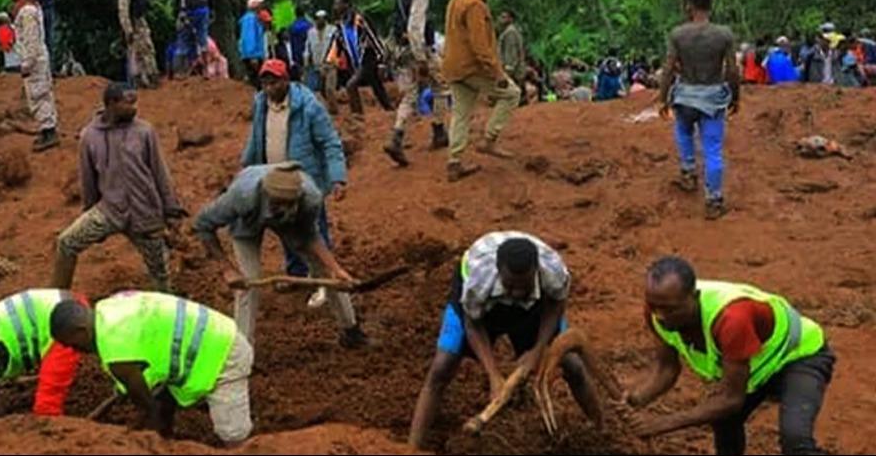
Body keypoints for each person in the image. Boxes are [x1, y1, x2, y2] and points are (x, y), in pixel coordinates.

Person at [408, 232, 601, 449]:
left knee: (573, 365)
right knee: (442, 366)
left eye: (524, 286)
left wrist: (537, 351)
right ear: (498, 271)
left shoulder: (554, 272)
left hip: (533, 309)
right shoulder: (478, 279)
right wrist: (493, 375)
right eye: (510, 287)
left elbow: (555, 305)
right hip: (482, 308)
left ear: (536, 272)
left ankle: (603, 433)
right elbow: (473, 324)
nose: (517, 294)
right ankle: (411, 448)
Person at [626, 256, 833, 455]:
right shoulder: (658, 310)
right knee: (724, 422)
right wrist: (636, 399)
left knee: (795, 439)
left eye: (670, 310)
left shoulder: (731, 319)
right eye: (654, 306)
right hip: (754, 369)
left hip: (799, 356)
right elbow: (666, 368)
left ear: (694, 297)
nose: (661, 316)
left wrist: (663, 423)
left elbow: (731, 399)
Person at [193, 163, 370, 348]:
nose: (281, 208)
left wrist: (336, 269)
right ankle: (242, 350)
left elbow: (310, 236)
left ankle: (352, 332)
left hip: (292, 224)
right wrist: (227, 270)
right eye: (276, 204)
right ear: (267, 196)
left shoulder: (310, 198)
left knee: (326, 272)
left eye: (287, 204)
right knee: (248, 281)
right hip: (248, 221)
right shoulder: (242, 195)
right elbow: (203, 225)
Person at [40, 292, 253, 445]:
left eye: (71, 343)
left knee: (232, 434)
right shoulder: (108, 307)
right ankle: (167, 437)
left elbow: (147, 404)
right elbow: (145, 365)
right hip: (213, 329)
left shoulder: (115, 352)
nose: (73, 350)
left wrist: (148, 438)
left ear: (80, 330)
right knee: (163, 395)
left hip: (224, 354)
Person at [51, 83, 184, 292]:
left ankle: (166, 313)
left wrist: (171, 210)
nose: (135, 107)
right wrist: (89, 210)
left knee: (160, 271)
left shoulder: (144, 131)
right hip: (109, 211)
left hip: (145, 213)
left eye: (136, 102)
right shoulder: (89, 136)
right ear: (111, 104)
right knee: (67, 243)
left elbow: (160, 173)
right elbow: (88, 179)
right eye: (129, 103)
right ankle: (56, 303)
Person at [241, 59, 346, 309]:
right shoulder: (260, 104)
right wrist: (247, 167)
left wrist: (337, 177)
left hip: (305, 182)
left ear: (286, 81)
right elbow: (256, 138)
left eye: (274, 82)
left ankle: (323, 283)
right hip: (274, 181)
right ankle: (297, 273)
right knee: (284, 227)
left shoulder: (308, 106)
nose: (269, 88)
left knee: (314, 232)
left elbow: (330, 141)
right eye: (265, 83)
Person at [658, 0, 739, 220]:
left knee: (683, 131)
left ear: (690, 7)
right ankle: (713, 200)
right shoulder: (723, 34)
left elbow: (669, 68)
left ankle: (688, 171)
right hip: (713, 95)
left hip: (686, 94)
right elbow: (732, 70)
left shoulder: (678, 34)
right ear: (710, 7)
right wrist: (736, 97)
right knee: (713, 149)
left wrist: (663, 98)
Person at [442, 0, 520, 182]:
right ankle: (489, 139)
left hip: (453, 66)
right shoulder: (474, 5)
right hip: (471, 67)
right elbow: (480, 46)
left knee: (461, 113)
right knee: (512, 94)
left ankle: (454, 162)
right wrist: (498, 73)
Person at [386, 0, 448, 167]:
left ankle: (397, 136)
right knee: (441, 85)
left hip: (401, 51)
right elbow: (415, 28)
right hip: (418, 50)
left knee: (410, 95)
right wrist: (421, 58)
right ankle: (439, 130)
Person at [329, 0, 393, 114]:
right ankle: (389, 109)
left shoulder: (360, 19)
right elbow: (337, 45)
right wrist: (329, 61)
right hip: (356, 61)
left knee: (351, 85)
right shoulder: (340, 25)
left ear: (346, 5)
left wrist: (382, 60)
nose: (336, 7)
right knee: (377, 86)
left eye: (338, 4)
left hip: (368, 58)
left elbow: (373, 37)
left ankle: (357, 115)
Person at [12, 0, 59, 151]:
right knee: (42, 93)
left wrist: (27, 65)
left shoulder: (27, 12)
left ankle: (49, 132)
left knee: (38, 94)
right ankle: (47, 130)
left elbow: (31, 41)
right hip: (38, 59)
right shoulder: (32, 8)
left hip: (35, 61)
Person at [115, 0, 160, 89]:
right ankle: (141, 80)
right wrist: (128, 30)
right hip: (134, 24)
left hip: (139, 21)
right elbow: (123, 12)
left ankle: (150, 77)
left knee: (147, 49)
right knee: (138, 53)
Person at [304, 9, 338, 113]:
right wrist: (306, 61)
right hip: (316, 64)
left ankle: (333, 110)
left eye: (322, 19)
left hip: (330, 64)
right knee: (320, 89)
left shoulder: (333, 30)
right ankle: (325, 108)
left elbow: (335, 47)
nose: (320, 21)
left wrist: (329, 61)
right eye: (318, 19)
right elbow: (308, 48)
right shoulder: (310, 32)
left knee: (330, 88)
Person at [498, 10, 526, 99]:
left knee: (514, 90)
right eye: (501, 17)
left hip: (512, 67)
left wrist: (509, 67)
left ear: (511, 19)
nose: (501, 19)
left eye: (504, 17)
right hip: (514, 66)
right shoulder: (508, 31)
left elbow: (511, 50)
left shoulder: (510, 32)